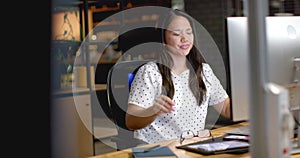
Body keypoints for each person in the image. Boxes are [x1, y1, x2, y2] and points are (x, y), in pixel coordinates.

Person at [125, 9, 231, 144]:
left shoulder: (204, 71)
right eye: (176, 34)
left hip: (192, 147)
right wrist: (153, 110)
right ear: (163, 38)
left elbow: (226, 109)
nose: (184, 39)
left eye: (189, 32)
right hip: (157, 149)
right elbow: (131, 121)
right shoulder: (150, 72)